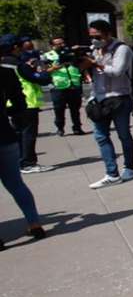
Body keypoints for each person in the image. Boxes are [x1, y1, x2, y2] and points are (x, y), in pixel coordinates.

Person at [82, 20, 133, 189]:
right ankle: (112, 173)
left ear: (107, 33)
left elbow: (117, 71)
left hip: (119, 98)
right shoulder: (94, 50)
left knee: (123, 135)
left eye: (97, 36)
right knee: (100, 136)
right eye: (91, 37)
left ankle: (129, 167)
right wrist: (84, 67)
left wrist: (96, 64)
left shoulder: (122, 49)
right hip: (98, 99)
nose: (94, 40)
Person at [0, 46, 46, 247]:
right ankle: (34, 222)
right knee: (16, 183)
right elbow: (19, 103)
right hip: (4, 134)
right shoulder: (6, 72)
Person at [1, 36, 52, 173]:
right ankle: (28, 163)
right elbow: (40, 79)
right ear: (15, 47)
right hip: (26, 102)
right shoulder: (17, 64)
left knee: (18, 133)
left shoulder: (3, 63)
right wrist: (42, 71)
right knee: (28, 134)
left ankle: (19, 161)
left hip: (9, 103)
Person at [43, 37, 86, 136]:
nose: (62, 45)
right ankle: (60, 128)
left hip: (74, 85)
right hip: (58, 86)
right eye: (58, 44)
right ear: (52, 46)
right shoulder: (47, 56)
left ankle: (77, 128)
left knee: (75, 109)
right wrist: (54, 67)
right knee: (59, 109)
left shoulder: (71, 52)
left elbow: (81, 64)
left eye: (63, 43)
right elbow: (44, 71)